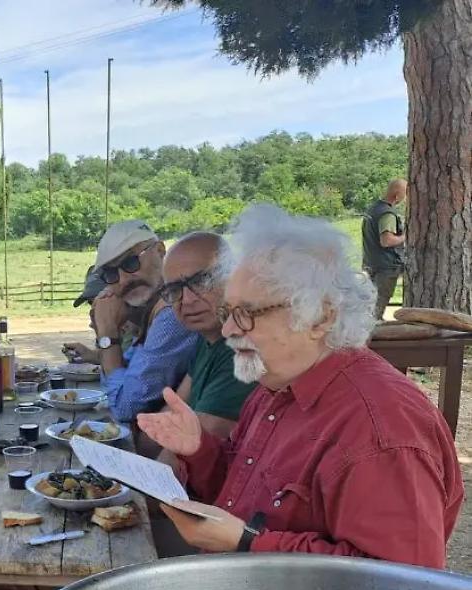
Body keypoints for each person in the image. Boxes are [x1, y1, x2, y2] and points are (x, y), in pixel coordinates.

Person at [137, 204, 463, 569]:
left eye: (247, 313)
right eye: (228, 313)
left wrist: (246, 543)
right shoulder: (273, 385)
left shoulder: (381, 427)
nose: (228, 330)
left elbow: (399, 584)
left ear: (321, 316)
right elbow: (240, 491)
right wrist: (199, 449)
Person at [63, 220, 198, 422]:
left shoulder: (172, 314)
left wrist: (108, 334)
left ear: (160, 251)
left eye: (131, 263)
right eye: (111, 274)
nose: (124, 280)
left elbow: (124, 407)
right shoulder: (150, 310)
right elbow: (123, 378)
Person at [157, 232, 256, 440]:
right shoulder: (206, 338)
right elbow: (174, 408)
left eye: (202, 281)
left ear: (232, 276)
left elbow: (194, 443)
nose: (188, 300)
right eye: (175, 290)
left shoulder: (242, 348)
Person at [362, 178, 407, 319]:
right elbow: (386, 241)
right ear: (397, 195)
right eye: (404, 194)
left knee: (368, 304)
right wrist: (406, 237)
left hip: (371, 263)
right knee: (376, 310)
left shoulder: (373, 209)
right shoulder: (387, 214)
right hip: (385, 267)